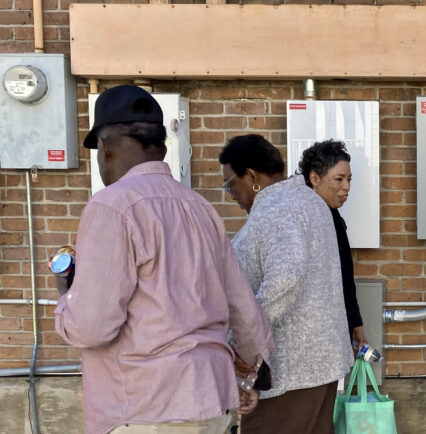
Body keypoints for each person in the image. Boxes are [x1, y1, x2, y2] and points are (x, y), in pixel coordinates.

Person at [53, 85, 275, 434]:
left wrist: (66, 296)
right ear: (162, 147)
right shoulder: (200, 208)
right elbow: (243, 307)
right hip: (211, 401)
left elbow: (91, 326)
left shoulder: (111, 207)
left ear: (106, 148)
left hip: (145, 408)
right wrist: (252, 368)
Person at [219, 134, 353, 434]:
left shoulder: (276, 209)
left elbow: (287, 277)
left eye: (230, 184)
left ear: (251, 175)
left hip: (289, 371)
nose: (231, 194)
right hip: (319, 365)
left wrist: (245, 343)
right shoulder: (307, 199)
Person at [297, 139, 368, 353]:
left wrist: (355, 321)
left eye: (349, 179)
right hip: (313, 341)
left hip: (333, 333)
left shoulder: (332, 214)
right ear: (314, 178)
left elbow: (345, 273)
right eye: (339, 179)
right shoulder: (303, 217)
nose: (346, 187)